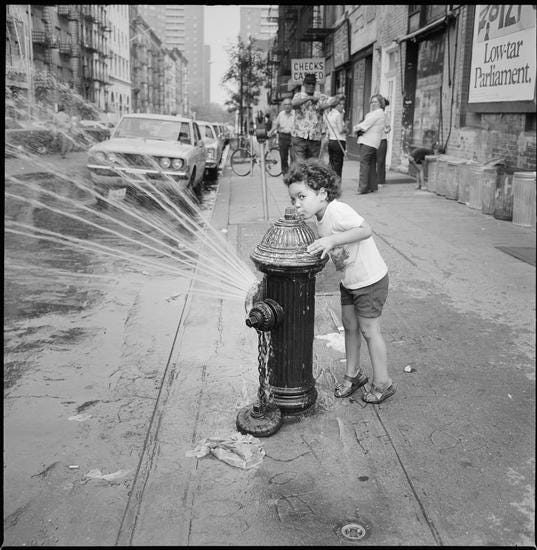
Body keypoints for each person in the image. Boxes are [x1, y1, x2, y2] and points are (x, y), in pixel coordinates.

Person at [284, 159, 395, 404]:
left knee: (369, 330)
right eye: (293, 199)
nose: (297, 203)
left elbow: (365, 229)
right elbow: (335, 249)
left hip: (370, 280)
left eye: (302, 196)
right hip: (350, 281)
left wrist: (331, 241)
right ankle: (353, 375)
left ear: (322, 193)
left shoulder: (338, 210)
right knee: (350, 326)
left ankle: (383, 382)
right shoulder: (321, 217)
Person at [291, 73, 333, 161]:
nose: (311, 86)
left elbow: (332, 101)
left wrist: (336, 99)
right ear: (304, 84)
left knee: (313, 166)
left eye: (313, 84)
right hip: (300, 136)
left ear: (315, 85)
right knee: (300, 165)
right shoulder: (298, 96)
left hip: (315, 137)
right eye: (308, 83)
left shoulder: (321, 97)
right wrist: (309, 98)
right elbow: (294, 104)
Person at [353, 94, 386, 194]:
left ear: (380, 103)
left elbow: (365, 125)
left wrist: (355, 128)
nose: (373, 104)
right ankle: (372, 186)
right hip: (373, 142)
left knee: (364, 164)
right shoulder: (378, 113)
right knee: (371, 164)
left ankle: (362, 188)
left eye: (376, 102)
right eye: (372, 102)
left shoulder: (377, 113)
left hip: (368, 141)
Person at [268, 98, 295, 174]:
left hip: (293, 137)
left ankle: (293, 174)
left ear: (291, 106)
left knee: (293, 157)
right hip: (283, 136)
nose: (287, 106)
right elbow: (276, 125)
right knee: (283, 157)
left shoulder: (295, 113)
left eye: (289, 104)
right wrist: (270, 131)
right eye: (285, 104)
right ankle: (285, 173)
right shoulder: (281, 114)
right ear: (283, 106)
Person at [325, 96, 348, 179]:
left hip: (331, 141)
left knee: (331, 163)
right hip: (339, 141)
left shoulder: (329, 114)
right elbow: (341, 130)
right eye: (340, 104)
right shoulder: (338, 115)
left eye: (343, 104)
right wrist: (346, 128)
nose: (342, 106)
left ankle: (330, 181)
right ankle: (337, 183)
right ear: (336, 105)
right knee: (338, 165)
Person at [376, 97, 391, 187]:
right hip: (373, 140)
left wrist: (386, 130)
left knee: (381, 161)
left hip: (382, 140)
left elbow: (388, 127)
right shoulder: (373, 114)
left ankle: (380, 181)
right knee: (374, 161)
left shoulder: (385, 115)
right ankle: (374, 179)